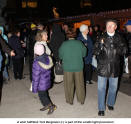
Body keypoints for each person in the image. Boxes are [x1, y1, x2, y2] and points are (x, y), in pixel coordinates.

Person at [93, 19, 127, 116]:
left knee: (113, 88)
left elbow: (125, 50)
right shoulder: (101, 37)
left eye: (112, 25)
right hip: (103, 66)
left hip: (115, 67)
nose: (110, 27)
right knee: (101, 88)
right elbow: (95, 51)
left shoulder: (120, 37)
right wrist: (100, 46)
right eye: (108, 25)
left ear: (116, 27)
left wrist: (116, 48)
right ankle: (101, 108)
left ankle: (110, 103)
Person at [59, 27, 87, 105]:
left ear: (67, 35)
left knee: (68, 85)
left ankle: (69, 100)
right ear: (75, 35)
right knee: (80, 84)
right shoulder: (80, 43)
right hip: (78, 67)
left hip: (68, 68)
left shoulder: (64, 44)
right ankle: (81, 100)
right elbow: (84, 54)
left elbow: (60, 56)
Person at [32, 44, 57, 115]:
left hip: (40, 83)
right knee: (44, 94)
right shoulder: (47, 58)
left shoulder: (36, 63)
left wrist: (34, 88)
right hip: (46, 81)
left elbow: (35, 77)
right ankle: (46, 105)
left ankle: (51, 106)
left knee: (42, 96)